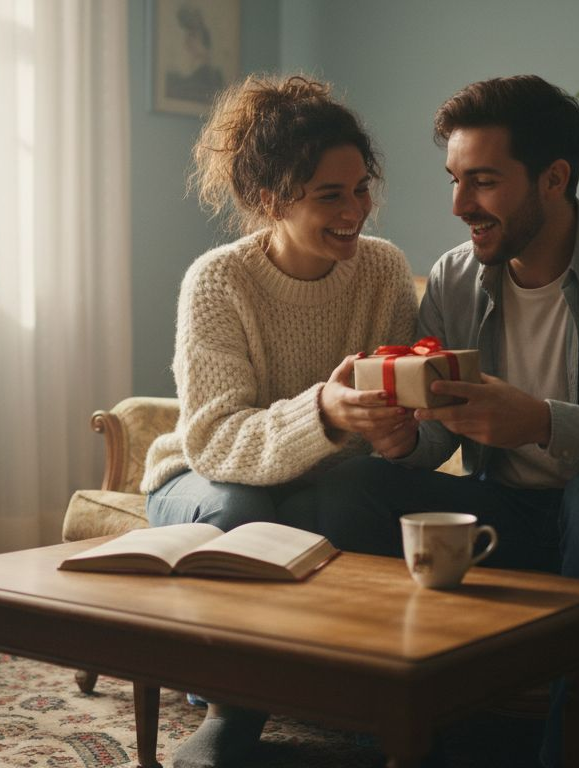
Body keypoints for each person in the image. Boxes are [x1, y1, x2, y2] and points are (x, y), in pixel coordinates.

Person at [310, 75, 579, 767]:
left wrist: (544, 422)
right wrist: (402, 440)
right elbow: (439, 434)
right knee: (352, 487)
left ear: (553, 178)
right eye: (453, 180)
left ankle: (571, 746)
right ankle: (400, 733)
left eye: (481, 181)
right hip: (507, 513)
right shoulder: (455, 279)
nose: (458, 205)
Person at [140, 73, 418, 768]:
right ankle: (235, 711)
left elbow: (402, 411)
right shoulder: (219, 281)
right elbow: (214, 439)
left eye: (361, 189)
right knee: (244, 508)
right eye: (331, 195)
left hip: (323, 481)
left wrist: (396, 432)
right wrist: (322, 411)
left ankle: (365, 701)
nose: (355, 209)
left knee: (351, 494)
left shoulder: (383, 272)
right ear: (271, 200)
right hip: (201, 478)